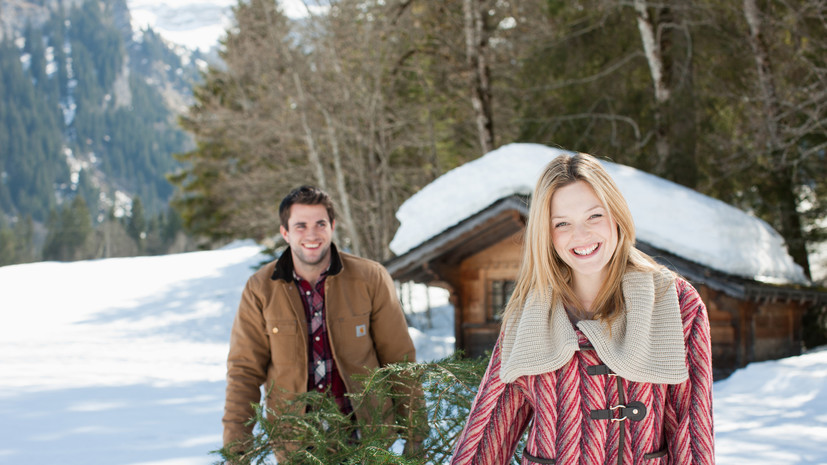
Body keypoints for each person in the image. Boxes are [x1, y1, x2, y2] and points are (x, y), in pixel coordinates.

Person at [451, 153, 714, 464]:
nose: (581, 235)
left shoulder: (674, 302)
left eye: (594, 216)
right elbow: (488, 431)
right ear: (546, 234)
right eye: (562, 223)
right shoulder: (531, 312)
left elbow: (692, 427)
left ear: (616, 215)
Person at [222, 185, 422, 458]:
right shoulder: (261, 288)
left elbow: (399, 359)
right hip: (296, 444)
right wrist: (237, 452)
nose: (312, 234)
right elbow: (243, 372)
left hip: (366, 439)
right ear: (285, 233)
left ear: (333, 226)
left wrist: (415, 436)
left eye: (320, 223)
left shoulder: (370, 277)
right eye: (300, 226)